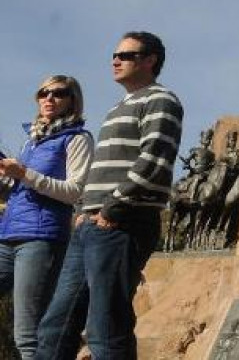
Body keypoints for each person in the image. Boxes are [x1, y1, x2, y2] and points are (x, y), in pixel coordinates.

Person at [35, 31, 183, 360]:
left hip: (121, 224)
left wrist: (112, 208)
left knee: (105, 329)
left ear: (150, 61)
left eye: (126, 55)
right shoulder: (119, 107)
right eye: (114, 55)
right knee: (54, 328)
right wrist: (82, 210)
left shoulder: (161, 99)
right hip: (90, 225)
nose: (116, 61)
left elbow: (154, 160)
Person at [0, 76, 93, 360]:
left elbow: (75, 192)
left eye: (58, 93)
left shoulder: (78, 138)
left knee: (27, 335)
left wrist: (25, 174)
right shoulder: (33, 140)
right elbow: (20, 187)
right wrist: (8, 178)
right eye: (43, 93)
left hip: (41, 239)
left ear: (72, 100)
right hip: (7, 235)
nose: (49, 98)